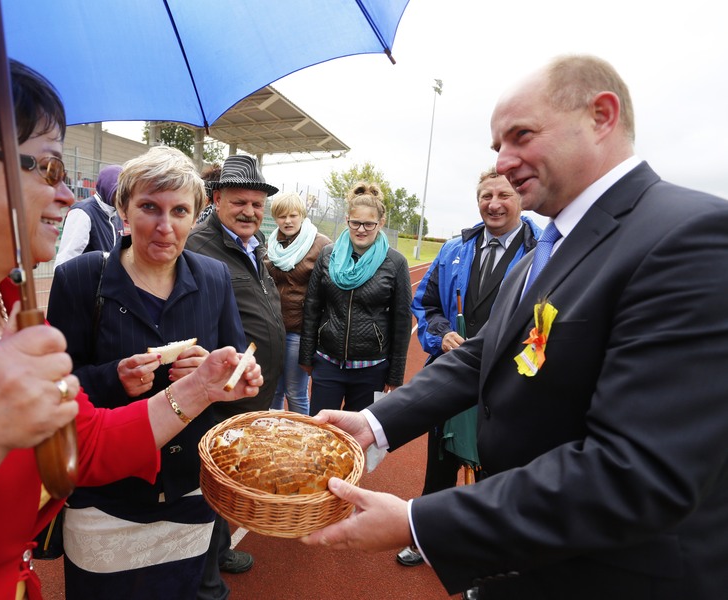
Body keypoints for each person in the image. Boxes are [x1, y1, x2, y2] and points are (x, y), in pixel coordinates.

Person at [0, 45, 262, 600]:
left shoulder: (5, 306)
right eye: (48, 166)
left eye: (181, 211)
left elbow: (85, 442)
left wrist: (203, 388)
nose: (65, 194)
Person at [302, 54, 728, 600]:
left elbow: (636, 472)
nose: (503, 163)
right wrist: (376, 424)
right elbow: (487, 354)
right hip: (528, 558)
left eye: (521, 136)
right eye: (496, 147)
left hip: (612, 574)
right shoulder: (545, 252)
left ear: (602, 116)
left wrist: (419, 522)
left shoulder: (686, 237)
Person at [46, 146, 247, 599]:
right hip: (106, 498)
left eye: (180, 211)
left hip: (189, 488)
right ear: (122, 208)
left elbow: (236, 363)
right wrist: (109, 377)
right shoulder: (80, 279)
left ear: (196, 216)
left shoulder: (214, 277)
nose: (165, 226)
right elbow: (55, 390)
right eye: (149, 208)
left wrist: (219, 374)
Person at [397, 169, 540, 568]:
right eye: (485, 196)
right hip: (450, 373)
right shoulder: (454, 249)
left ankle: (486, 552)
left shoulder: (543, 251)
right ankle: (425, 539)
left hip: (506, 383)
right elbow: (425, 304)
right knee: (440, 465)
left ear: (520, 199)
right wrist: (440, 334)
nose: (493, 204)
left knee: (496, 470)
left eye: (503, 195)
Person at [185, 154, 285, 591]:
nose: (249, 212)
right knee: (211, 486)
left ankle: (220, 549)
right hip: (222, 394)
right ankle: (206, 582)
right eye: (240, 202)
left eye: (257, 204)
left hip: (252, 392)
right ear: (217, 198)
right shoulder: (199, 247)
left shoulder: (252, 244)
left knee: (231, 478)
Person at [299, 182, 411, 415]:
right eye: (355, 223)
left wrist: (396, 373)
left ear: (380, 224)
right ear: (347, 220)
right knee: (320, 432)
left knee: (359, 439)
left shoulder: (395, 262)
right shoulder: (327, 255)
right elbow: (312, 307)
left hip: (372, 368)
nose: (361, 229)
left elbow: (401, 321)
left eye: (369, 224)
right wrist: (307, 356)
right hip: (327, 362)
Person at [263, 191, 331, 414]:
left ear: (302, 215)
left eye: (293, 215)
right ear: (275, 218)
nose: (288, 221)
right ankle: (271, 437)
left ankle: (300, 439)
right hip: (273, 329)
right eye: (282, 216)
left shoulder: (320, 244)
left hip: (299, 331)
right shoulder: (272, 243)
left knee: (295, 392)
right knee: (273, 390)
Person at [54, 163, 123, 267]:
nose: (123, 197)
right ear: (107, 188)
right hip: (85, 282)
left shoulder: (116, 215)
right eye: (119, 191)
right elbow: (66, 259)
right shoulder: (82, 212)